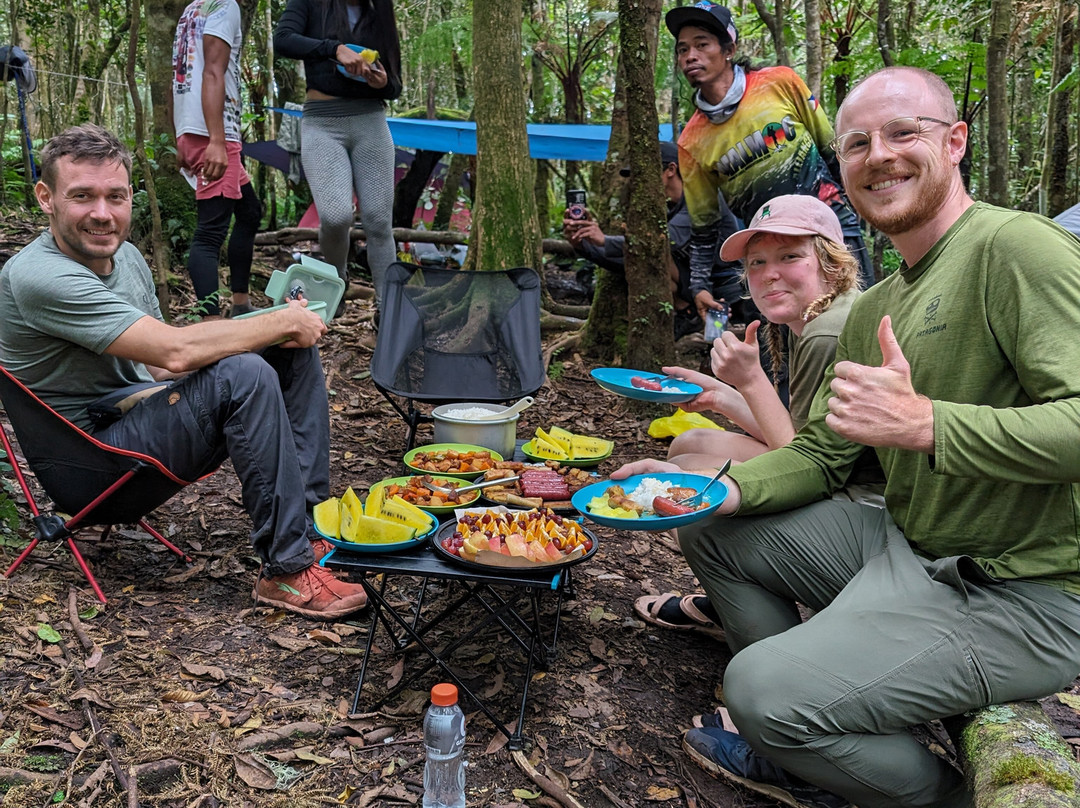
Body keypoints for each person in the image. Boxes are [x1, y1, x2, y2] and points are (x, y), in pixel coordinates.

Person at [619, 65, 1080, 808]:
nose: (879, 155)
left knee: (758, 690)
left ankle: (927, 792)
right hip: (905, 546)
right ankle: (809, 719)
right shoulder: (878, 307)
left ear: (956, 142)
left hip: (1020, 592)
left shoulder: (1014, 250)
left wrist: (928, 424)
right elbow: (823, 456)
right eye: (858, 142)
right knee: (712, 524)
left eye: (905, 132)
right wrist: (718, 488)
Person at [0, 124, 369, 621]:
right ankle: (285, 569)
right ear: (46, 198)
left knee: (285, 349)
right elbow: (174, 353)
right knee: (245, 370)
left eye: (115, 196)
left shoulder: (124, 256)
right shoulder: (38, 275)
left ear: (131, 195)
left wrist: (275, 327)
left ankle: (309, 536)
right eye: (82, 196)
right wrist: (275, 320)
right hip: (91, 466)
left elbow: (154, 364)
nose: (102, 213)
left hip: (134, 425)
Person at [633, 194, 873, 639]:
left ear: (832, 263)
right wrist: (723, 397)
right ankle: (734, 599)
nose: (769, 274)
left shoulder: (828, 331)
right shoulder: (815, 315)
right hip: (843, 479)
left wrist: (750, 380)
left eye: (790, 256)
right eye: (757, 262)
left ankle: (767, 636)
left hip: (862, 507)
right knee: (690, 445)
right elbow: (804, 434)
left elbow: (804, 464)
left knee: (691, 487)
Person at [665, 1, 875, 326]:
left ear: (729, 48)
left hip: (833, 230)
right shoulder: (691, 141)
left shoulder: (781, 83)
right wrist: (699, 286)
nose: (690, 56)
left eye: (702, 44)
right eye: (682, 49)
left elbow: (835, 154)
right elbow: (704, 226)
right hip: (767, 254)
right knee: (783, 355)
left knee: (860, 326)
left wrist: (866, 209)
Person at [274, 0, 402, 315]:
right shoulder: (312, 4)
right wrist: (335, 49)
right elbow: (283, 39)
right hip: (322, 122)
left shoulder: (379, 12)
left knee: (378, 220)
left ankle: (389, 311)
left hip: (370, 120)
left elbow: (395, 85)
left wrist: (383, 83)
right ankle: (336, 281)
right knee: (336, 216)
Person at [562, 141, 738, 338]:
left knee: (723, 348)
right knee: (644, 258)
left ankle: (692, 318)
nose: (639, 181)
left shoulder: (702, 198)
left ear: (671, 169)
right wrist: (583, 244)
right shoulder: (668, 208)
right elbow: (633, 258)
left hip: (725, 288)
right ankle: (686, 314)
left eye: (645, 172)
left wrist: (603, 239)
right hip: (696, 286)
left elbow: (663, 243)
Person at [171, 0, 262, 318]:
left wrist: (181, 134)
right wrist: (217, 141)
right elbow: (212, 70)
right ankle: (209, 322)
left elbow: (183, 74)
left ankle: (240, 305)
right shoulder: (225, 5)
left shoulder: (194, 9)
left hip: (196, 130)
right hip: (213, 132)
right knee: (210, 233)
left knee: (250, 211)